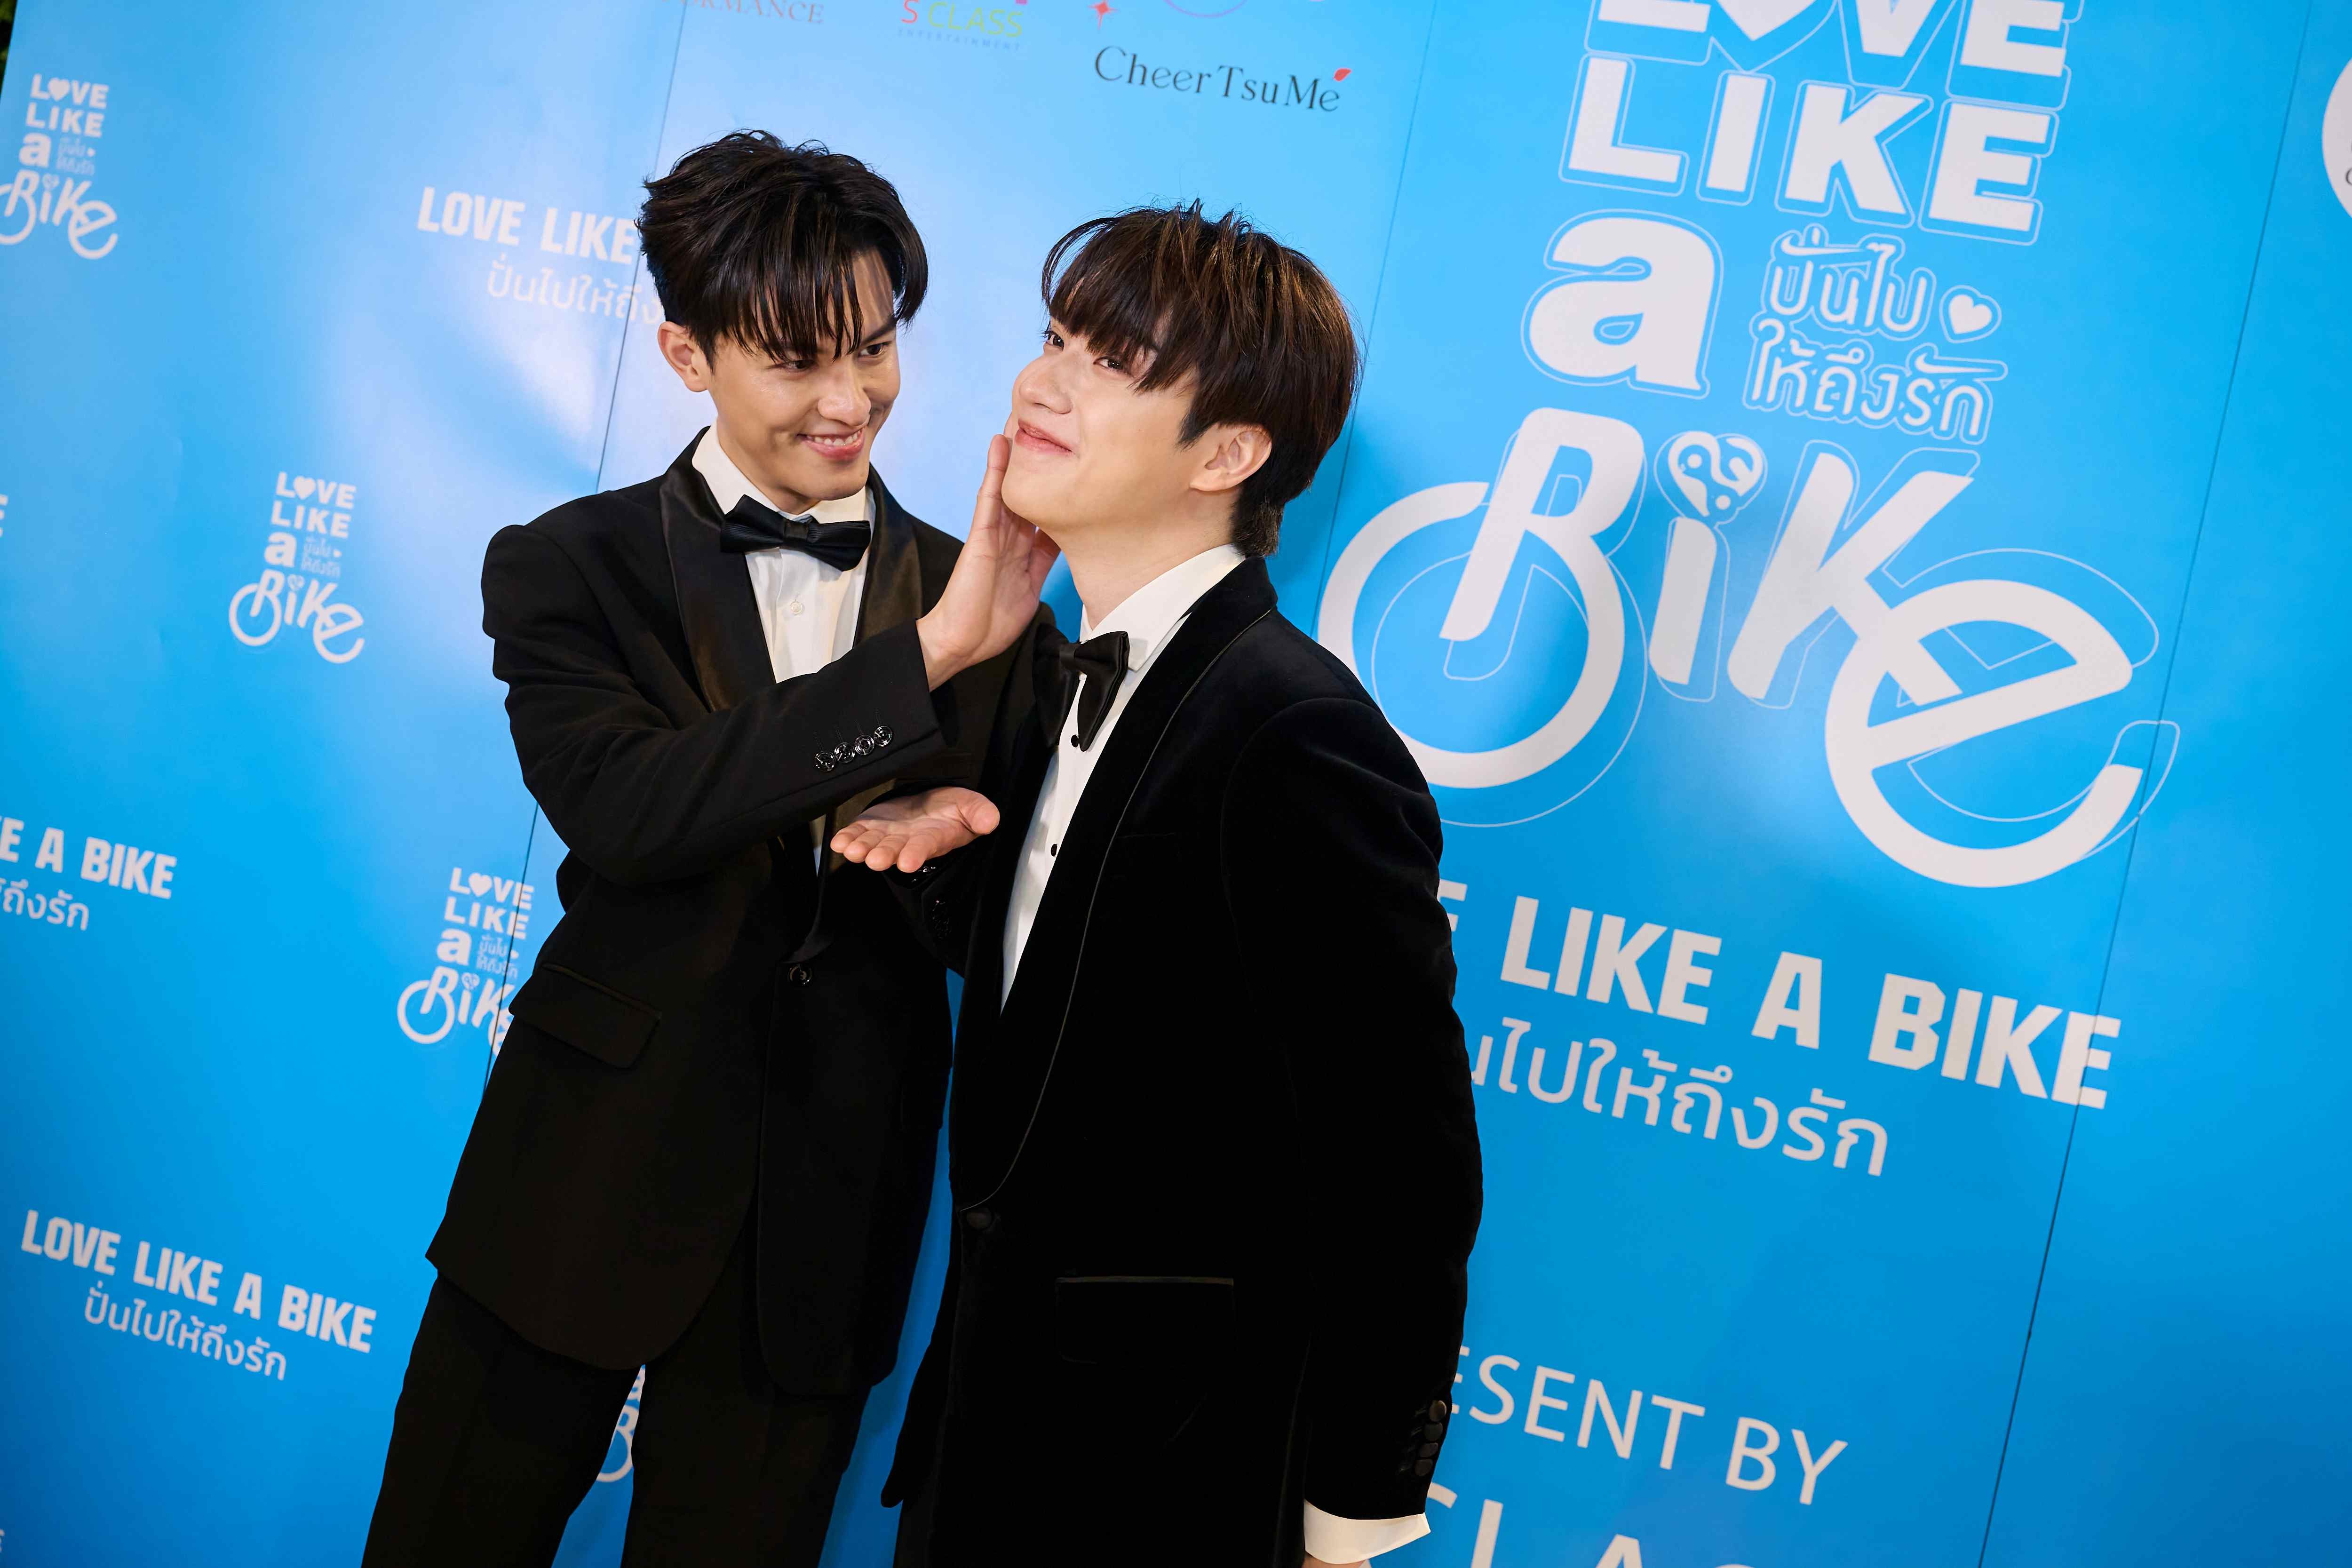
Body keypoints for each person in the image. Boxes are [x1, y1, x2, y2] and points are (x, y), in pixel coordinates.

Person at [362, 132, 1057, 1567]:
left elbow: (1006, 925)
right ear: (687, 354)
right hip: (580, 1178)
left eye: (875, 348)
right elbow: (631, 809)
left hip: (827, 1210)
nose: (850, 400)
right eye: (798, 361)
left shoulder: (986, 592)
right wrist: (924, 661)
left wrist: (946, 850)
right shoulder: (572, 564)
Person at [830, 204, 1484, 1568]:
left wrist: (1353, 1509)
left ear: (1229, 453)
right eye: (1055, 339)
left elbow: (1400, 1165)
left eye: (1112, 363)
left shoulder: (1296, 728)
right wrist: (947, 874)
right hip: (986, 1440)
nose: (1042, 383)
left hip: (1163, 1476)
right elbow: (1112, 1006)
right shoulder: (1057, 672)